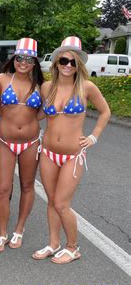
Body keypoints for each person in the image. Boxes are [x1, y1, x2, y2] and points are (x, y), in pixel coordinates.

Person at [32, 36, 110, 264]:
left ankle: (72, 247)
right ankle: (53, 243)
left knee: (61, 203)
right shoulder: (47, 87)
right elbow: (39, 114)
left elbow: (105, 112)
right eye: (64, 60)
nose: (68, 65)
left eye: (73, 62)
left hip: (72, 156)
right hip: (48, 152)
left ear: (79, 66)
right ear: (56, 62)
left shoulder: (87, 87)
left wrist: (94, 136)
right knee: (51, 201)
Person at [0, 38, 44, 253]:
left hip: (31, 142)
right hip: (5, 141)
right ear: (14, 59)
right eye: (19, 58)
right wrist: (10, 121)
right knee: (3, 189)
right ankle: (2, 232)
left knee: (27, 186)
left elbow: (44, 111)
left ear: (34, 63)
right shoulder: (2, 79)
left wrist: (28, 122)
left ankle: (19, 230)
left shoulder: (41, 84)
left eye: (28, 59)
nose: (23, 62)